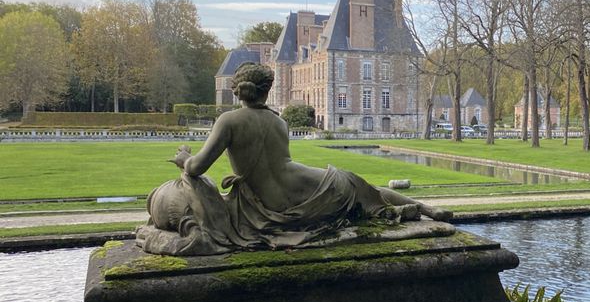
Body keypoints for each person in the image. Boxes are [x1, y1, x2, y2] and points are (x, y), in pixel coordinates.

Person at [138, 62, 450, 255]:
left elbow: (196, 168)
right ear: (266, 90)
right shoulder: (279, 121)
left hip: (274, 206)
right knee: (368, 192)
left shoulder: (229, 121)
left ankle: (416, 209)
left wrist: (183, 158)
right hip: (316, 184)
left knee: (365, 194)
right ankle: (425, 209)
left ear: (237, 92)